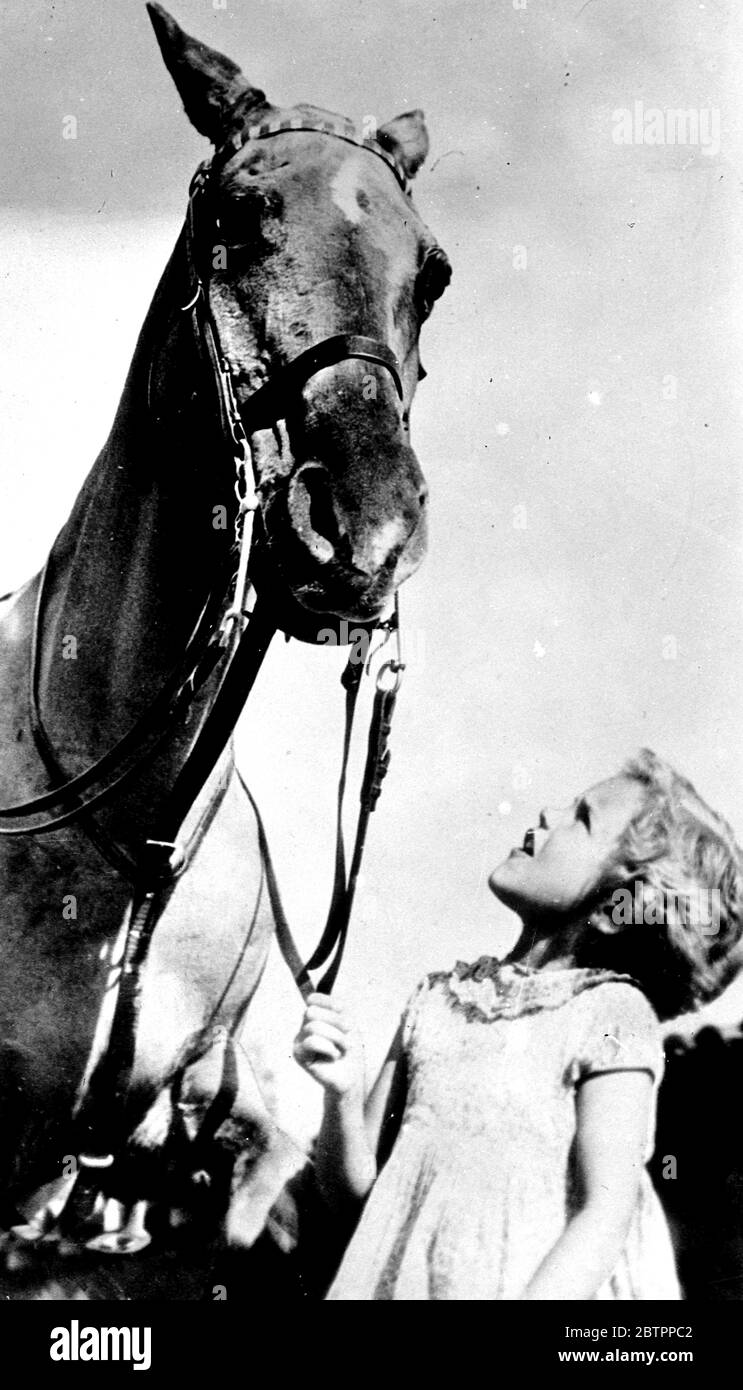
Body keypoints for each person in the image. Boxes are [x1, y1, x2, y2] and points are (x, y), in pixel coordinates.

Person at [293, 749, 743, 1299]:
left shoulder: (611, 1017)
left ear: (619, 903)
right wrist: (341, 1095)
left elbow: (606, 1213)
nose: (548, 815)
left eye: (581, 818)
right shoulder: (436, 1003)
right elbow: (361, 1207)